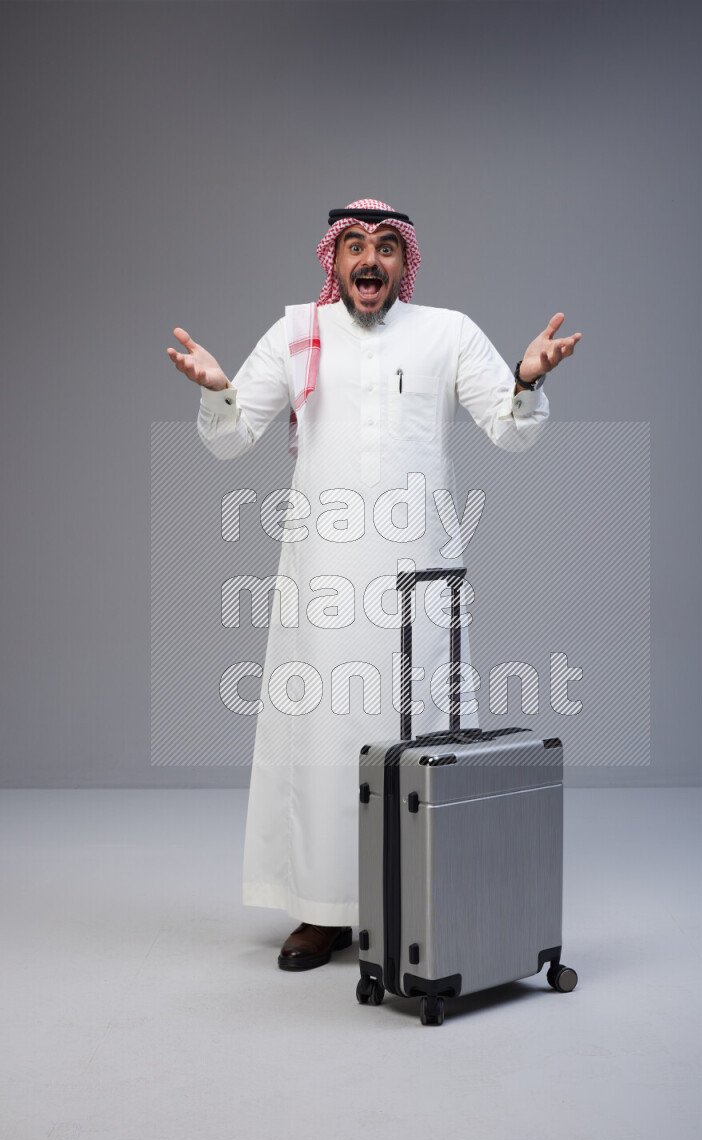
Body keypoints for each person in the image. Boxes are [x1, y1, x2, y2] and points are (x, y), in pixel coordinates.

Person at [167, 199, 581, 972]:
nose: (369, 260)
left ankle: (417, 900)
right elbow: (231, 438)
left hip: (417, 575)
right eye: (354, 245)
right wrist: (216, 388)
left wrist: (527, 378)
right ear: (332, 260)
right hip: (321, 577)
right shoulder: (297, 332)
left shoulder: (446, 332)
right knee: (323, 738)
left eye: (386, 247)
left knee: (419, 727)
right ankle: (323, 913)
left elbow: (511, 427)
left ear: (405, 262)